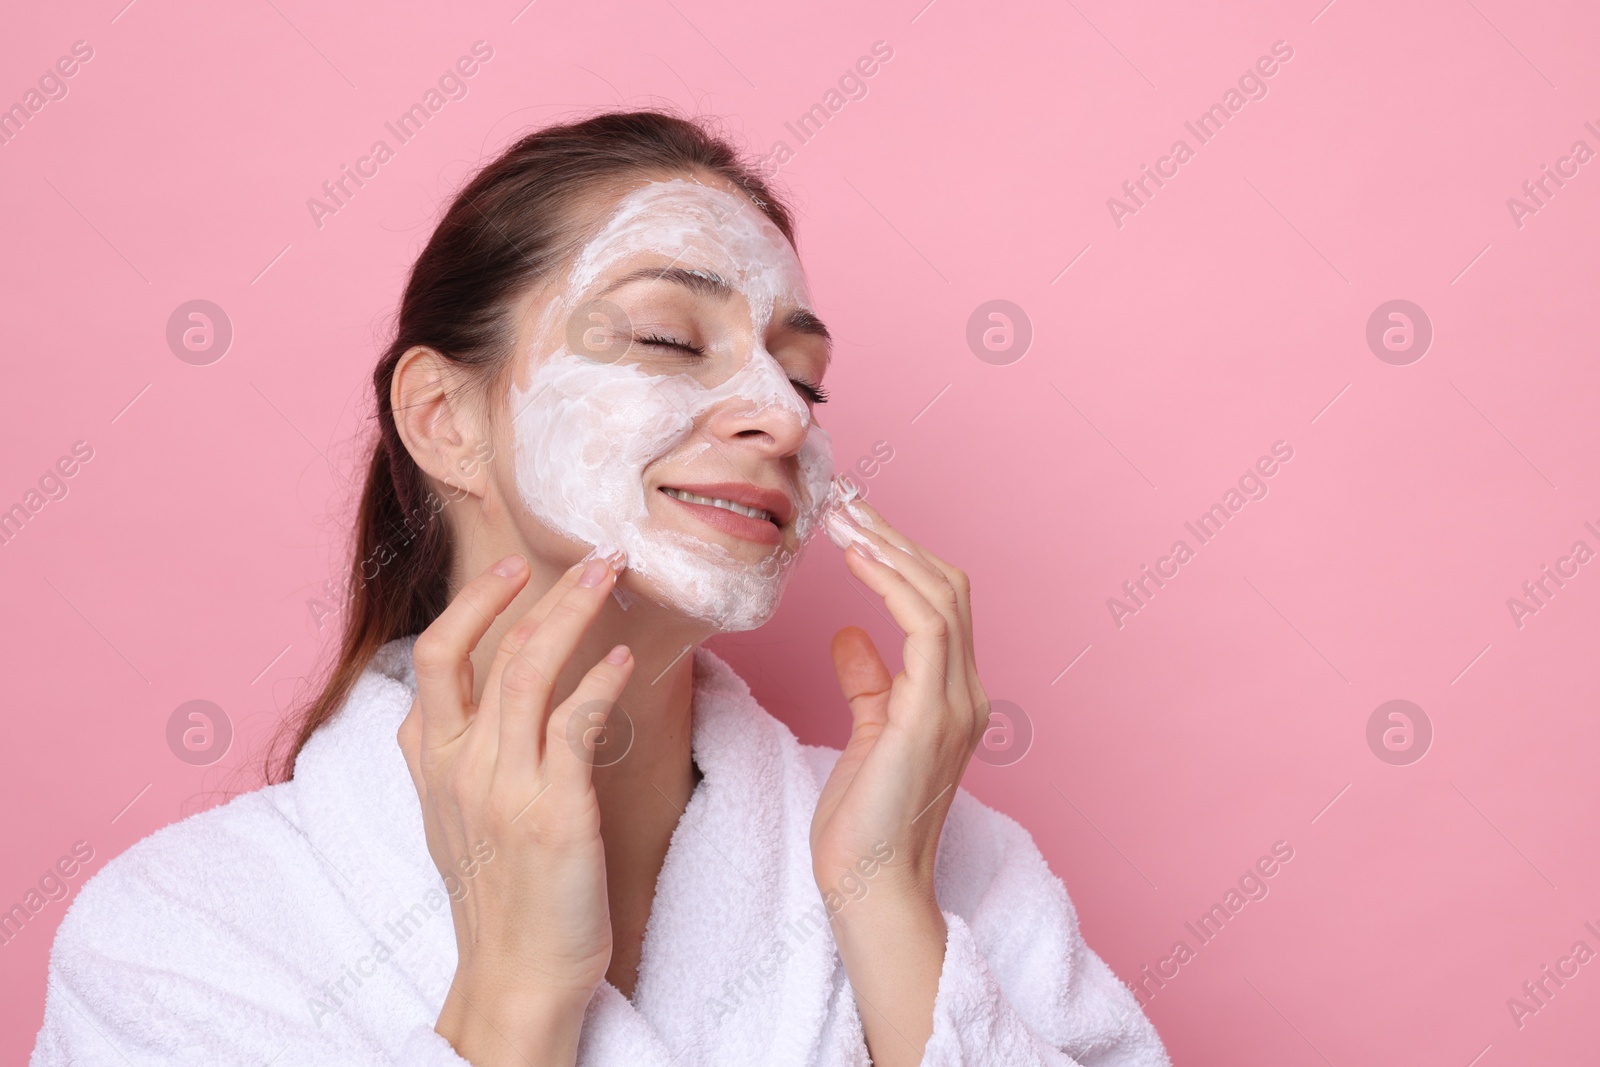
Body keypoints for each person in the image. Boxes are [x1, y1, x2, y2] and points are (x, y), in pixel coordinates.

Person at [30, 109, 1170, 1067]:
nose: (778, 414)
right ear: (444, 418)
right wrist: (514, 996)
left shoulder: (949, 860)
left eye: (804, 378)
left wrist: (887, 911)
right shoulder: (179, 936)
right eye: (671, 339)